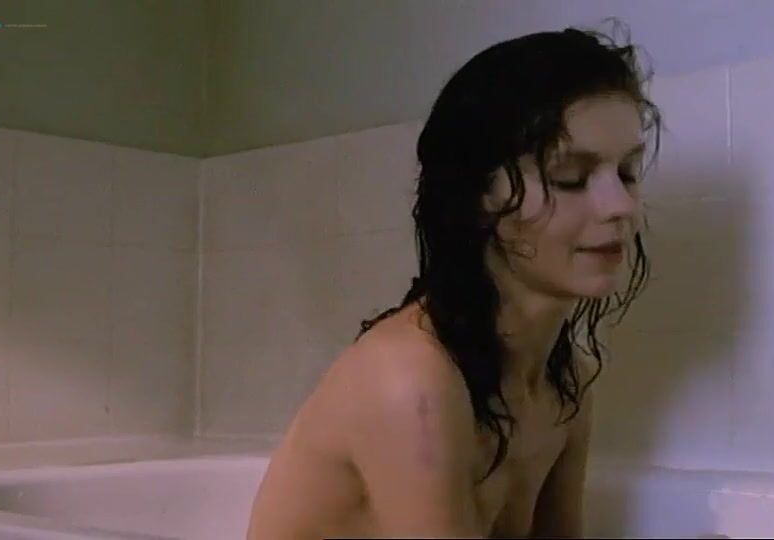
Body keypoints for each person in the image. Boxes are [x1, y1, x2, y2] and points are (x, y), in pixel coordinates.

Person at [247, 21, 661, 539]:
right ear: (478, 196)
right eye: (569, 178)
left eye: (627, 172)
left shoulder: (564, 384)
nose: (620, 206)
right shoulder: (412, 382)